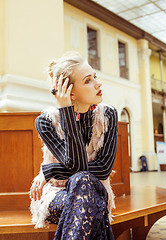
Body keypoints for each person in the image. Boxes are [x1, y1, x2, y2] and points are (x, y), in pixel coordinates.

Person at [30, 51, 118, 240]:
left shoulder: (108, 115)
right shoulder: (46, 122)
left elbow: (103, 169)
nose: (98, 83)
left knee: (83, 181)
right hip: (57, 194)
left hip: (96, 191)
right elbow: (77, 166)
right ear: (70, 92)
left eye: (95, 77)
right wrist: (66, 111)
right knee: (85, 192)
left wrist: (49, 171)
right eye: (88, 80)